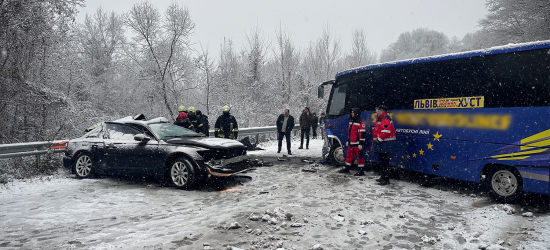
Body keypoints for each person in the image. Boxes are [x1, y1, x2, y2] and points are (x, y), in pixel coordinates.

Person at [371, 105, 396, 185]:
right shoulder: (382, 118)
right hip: (383, 144)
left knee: (384, 162)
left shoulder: (385, 118)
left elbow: (386, 131)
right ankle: (383, 177)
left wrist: (379, 139)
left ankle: (385, 179)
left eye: (378, 110)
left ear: (382, 111)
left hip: (384, 143)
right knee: (382, 161)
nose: (377, 112)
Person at [338, 108, 367, 175]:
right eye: (351, 112)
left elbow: (362, 133)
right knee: (348, 157)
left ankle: (361, 171)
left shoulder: (361, 122)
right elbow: (350, 132)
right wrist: (348, 140)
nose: (352, 113)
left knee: (360, 158)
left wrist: (361, 143)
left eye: (353, 112)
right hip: (351, 144)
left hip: (357, 144)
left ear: (356, 113)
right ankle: (346, 169)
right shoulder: (351, 121)